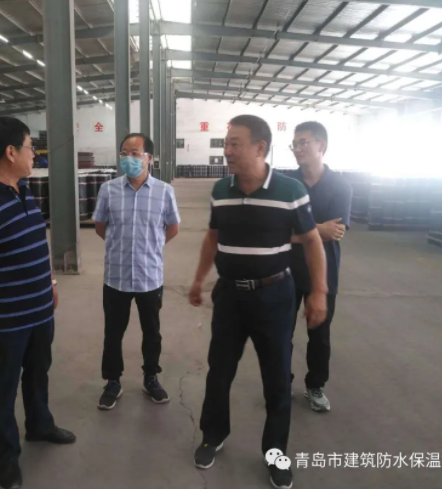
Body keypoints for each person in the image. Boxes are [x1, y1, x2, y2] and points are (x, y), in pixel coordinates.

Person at [188, 115, 328, 489]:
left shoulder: (290, 190)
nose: (227, 151)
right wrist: (199, 278)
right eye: (225, 143)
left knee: (277, 379)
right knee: (219, 371)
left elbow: (312, 241)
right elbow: (213, 236)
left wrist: (318, 292)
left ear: (260, 148)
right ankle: (213, 435)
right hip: (229, 297)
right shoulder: (221, 189)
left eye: (235, 143)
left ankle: (275, 453)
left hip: (274, 297)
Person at [0, 116, 75, 489]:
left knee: (38, 374)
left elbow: (35, 243)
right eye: (30, 147)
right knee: (1, 390)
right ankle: (6, 458)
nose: (34, 154)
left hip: (39, 310)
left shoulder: (23, 190)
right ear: (10, 152)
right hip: (5, 319)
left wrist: (50, 282)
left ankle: (39, 425)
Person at [92, 133, 180, 410]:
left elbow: (173, 228)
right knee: (113, 332)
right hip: (115, 276)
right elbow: (100, 226)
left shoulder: (164, 191)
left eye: (134, 153)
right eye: (124, 153)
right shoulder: (108, 190)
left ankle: (151, 377)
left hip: (149, 276)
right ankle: (113, 381)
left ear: (148, 158)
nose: (128, 158)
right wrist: (121, 246)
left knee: (151, 332)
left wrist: (150, 248)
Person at [289, 121, 353, 413]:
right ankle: (281, 381)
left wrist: (300, 231)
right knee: (280, 332)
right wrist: (318, 229)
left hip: (323, 274)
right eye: (295, 144)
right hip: (286, 271)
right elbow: (276, 228)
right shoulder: (286, 184)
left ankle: (315, 386)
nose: (298, 148)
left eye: (304, 142)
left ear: (321, 145)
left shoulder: (340, 186)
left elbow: (335, 232)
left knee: (319, 334)